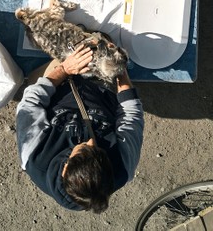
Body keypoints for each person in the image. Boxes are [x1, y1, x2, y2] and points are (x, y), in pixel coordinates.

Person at [16, 45, 144, 213]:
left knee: (58, 42)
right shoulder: (122, 167)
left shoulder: (34, 157)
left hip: (58, 85)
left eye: (83, 148)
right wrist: (118, 68)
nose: (91, 141)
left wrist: (65, 69)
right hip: (102, 89)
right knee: (106, 43)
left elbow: (32, 101)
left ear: (65, 168)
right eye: (98, 149)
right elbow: (131, 112)